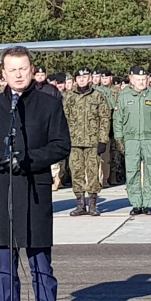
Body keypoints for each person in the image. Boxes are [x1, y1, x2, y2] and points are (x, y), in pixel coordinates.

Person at [0, 45, 71, 301]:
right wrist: (0, 159)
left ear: (32, 70)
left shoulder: (48, 103)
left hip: (35, 192)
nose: (18, 74)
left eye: (23, 69)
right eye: (12, 69)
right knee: (4, 266)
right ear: (3, 73)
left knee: (41, 265)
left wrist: (28, 159)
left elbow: (60, 145)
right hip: (3, 193)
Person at [113, 65, 151, 215]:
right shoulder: (124, 96)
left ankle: (148, 203)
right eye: (138, 79)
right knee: (132, 172)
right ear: (131, 79)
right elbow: (117, 119)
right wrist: (119, 138)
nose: (141, 82)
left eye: (144, 79)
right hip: (131, 140)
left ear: (148, 79)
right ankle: (136, 203)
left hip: (150, 139)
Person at [63, 66, 111, 215]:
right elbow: (64, 119)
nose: (82, 80)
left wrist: (103, 140)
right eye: (79, 77)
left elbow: (105, 118)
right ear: (75, 80)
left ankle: (93, 204)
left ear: (90, 78)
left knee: (92, 173)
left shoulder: (98, 96)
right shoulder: (69, 97)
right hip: (74, 142)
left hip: (93, 142)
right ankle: (80, 204)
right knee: (76, 172)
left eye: (85, 77)